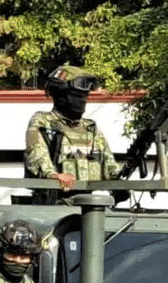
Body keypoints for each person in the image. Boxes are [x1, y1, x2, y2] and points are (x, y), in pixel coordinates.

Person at [25, 65, 124, 205]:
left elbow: (110, 166)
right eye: (77, 96)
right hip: (54, 205)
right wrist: (53, 175)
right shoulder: (43, 122)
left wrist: (123, 176)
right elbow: (36, 154)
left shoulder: (90, 128)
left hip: (89, 206)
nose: (82, 101)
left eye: (85, 96)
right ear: (60, 96)